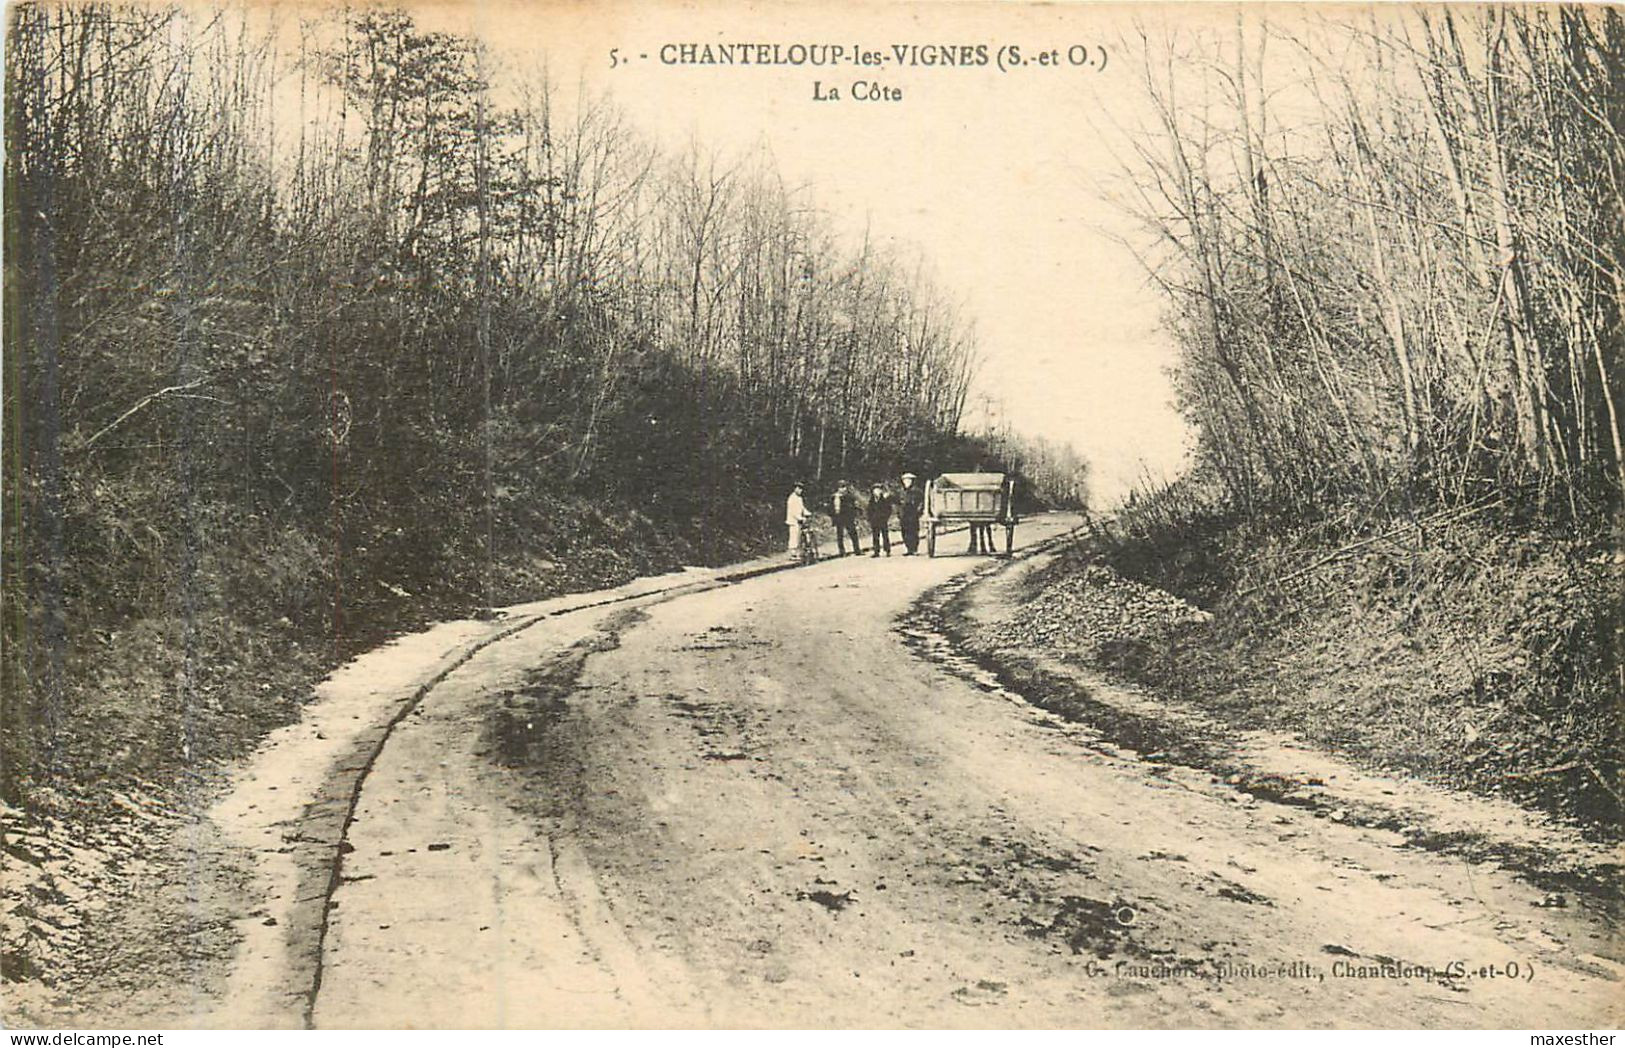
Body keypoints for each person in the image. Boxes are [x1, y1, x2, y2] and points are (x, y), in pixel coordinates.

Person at [829, 480, 862, 556]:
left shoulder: (849, 496)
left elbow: (854, 506)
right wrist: (833, 517)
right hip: (839, 518)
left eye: (844, 487)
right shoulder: (834, 497)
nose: (843, 489)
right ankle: (842, 551)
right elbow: (831, 509)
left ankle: (857, 550)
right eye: (841, 487)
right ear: (838, 488)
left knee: (853, 533)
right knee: (840, 535)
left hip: (848, 517)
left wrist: (855, 515)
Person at [896, 472, 924, 555]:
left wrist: (919, 511)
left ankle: (914, 549)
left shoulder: (917, 491)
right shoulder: (901, 491)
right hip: (904, 514)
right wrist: (899, 512)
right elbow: (897, 502)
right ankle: (908, 549)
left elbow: (922, 502)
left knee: (913, 531)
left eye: (909, 480)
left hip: (913, 513)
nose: (907, 482)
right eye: (905, 480)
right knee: (904, 532)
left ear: (912, 481)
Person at [866, 482, 893, 557]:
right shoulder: (871, 500)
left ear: (881, 491)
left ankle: (887, 550)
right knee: (875, 536)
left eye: (878, 490)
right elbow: (869, 510)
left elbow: (889, 509)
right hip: (874, 521)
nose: (877, 492)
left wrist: (886, 517)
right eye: (875, 490)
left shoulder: (884, 500)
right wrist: (870, 518)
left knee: (885, 536)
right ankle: (876, 551)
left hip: (882, 520)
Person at [785, 481, 809, 560]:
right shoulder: (791, 498)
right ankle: (793, 554)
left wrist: (807, 513)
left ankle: (799, 553)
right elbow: (793, 511)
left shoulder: (799, 498)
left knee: (799, 537)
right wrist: (800, 518)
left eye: (801, 489)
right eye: (798, 488)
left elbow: (802, 508)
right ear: (795, 489)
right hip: (793, 521)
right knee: (793, 537)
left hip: (799, 521)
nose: (800, 490)